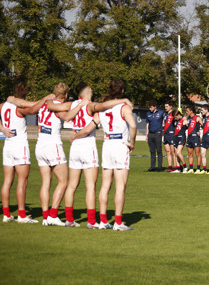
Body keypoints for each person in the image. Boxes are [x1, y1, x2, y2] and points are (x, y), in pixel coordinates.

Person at [61, 82, 132, 228]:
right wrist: (123, 100)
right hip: (87, 145)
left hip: (75, 147)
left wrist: (74, 136)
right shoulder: (91, 105)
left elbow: (65, 115)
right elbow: (105, 106)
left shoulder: (71, 104)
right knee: (91, 186)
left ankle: (69, 219)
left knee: (71, 185)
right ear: (86, 91)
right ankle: (92, 221)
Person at [1, 83, 54, 223]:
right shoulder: (19, 108)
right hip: (19, 145)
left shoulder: (4, 105)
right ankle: (22, 215)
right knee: (22, 182)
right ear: (25, 94)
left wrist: (2, 128)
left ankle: (7, 214)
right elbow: (32, 110)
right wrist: (45, 99)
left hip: (8, 145)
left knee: (7, 181)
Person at [35, 83, 86, 226]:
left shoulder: (45, 104)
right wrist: (80, 106)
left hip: (40, 145)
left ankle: (46, 217)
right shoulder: (58, 106)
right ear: (65, 95)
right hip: (53, 146)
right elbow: (67, 117)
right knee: (63, 182)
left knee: (46, 182)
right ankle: (53, 214)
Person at [97, 79, 137, 230]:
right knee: (120, 186)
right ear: (122, 91)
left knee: (105, 185)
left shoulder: (102, 107)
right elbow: (132, 125)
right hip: (120, 144)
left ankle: (102, 221)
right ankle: (118, 223)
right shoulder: (123, 107)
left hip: (107, 144)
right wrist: (131, 142)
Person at [145, 100, 164, 172]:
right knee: (152, 151)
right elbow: (147, 124)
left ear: (155, 107)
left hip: (158, 133)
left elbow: (164, 122)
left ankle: (159, 167)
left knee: (159, 151)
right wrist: (147, 135)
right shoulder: (148, 114)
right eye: (149, 107)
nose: (150, 108)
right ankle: (152, 167)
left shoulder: (161, 112)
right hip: (150, 134)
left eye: (151, 107)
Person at [185, 105, 201, 174]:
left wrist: (200, 130)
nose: (186, 112)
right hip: (189, 137)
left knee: (197, 154)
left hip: (195, 138)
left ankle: (198, 169)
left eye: (187, 111)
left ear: (191, 111)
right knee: (190, 154)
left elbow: (204, 125)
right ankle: (191, 168)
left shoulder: (197, 118)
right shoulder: (188, 118)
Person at [163, 102, 176, 172]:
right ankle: (170, 167)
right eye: (165, 106)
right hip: (165, 134)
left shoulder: (174, 113)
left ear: (171, 106)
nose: (165, 108)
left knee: (173, 151)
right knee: (167, 151)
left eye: (167, 106)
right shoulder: (165, 114)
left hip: (172, 134)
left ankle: (176, 166)